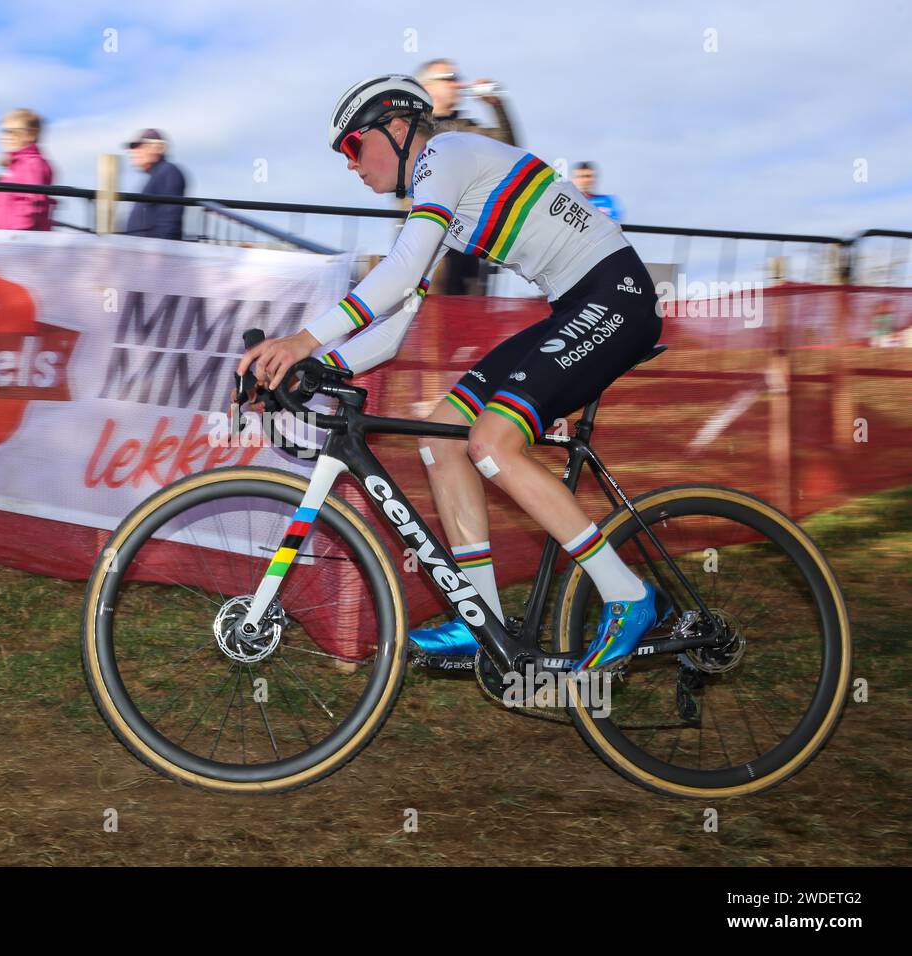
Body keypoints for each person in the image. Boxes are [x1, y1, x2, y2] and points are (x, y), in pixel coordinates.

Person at [237, 75, 666, 672]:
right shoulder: (443, 197)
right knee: (443, 443)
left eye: (354, 147)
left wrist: (304, 339)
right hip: (575, 305)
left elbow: (400, 265)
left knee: (491, 443)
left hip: (616, 296)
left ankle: (628, 594)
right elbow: (391, 330)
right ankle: (482, 617)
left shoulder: (447, 154)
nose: (350, 165)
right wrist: (314, 369)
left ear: (397, 127)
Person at [418, 59, 519, 294]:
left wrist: (497, 105)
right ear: (427, 87)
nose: (458, 84)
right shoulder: (413, 128)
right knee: (430, 320)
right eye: (449, 79)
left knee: (467, 319)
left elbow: (511, 151)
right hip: (427, 244)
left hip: (468, 244)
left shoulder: (469, 127)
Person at [0, 109, 54, 231]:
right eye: (3, 131)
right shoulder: (16, 165)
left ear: (30, 135)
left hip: (16, 241)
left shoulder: (32, 164)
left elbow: (32, 204)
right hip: (2, 238)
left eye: (11, 132)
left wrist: (17, 236)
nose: (4, 137)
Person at [123, 129, 188, 240]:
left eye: (139, 146)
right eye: (132, 147)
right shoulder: (158, 174)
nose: (133, 151)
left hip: (152, 252)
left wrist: (161, 251)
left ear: (158, 148)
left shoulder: (168, 171)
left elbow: (170, 219)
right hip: (143, 250)